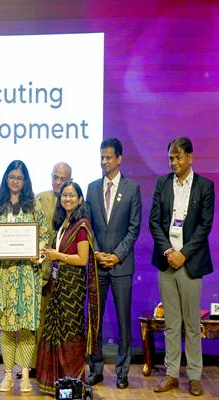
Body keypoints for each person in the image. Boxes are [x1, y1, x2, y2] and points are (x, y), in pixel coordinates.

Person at [149, 137, 214, 397]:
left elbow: (205, 226)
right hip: (166, 262)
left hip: (190, 264)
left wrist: (183, 254)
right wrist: (168, 251)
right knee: (171, 323)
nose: (173, 162)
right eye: (170, 158)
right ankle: (172, 375)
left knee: (192, 324)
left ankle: (195, 376)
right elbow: (154, 221)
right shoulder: (163, 183)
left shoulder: (205, 186)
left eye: (178, 157)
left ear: (190, 157)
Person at [0, 160, 50, 393]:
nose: (15, 181)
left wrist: (37, 253)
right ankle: (7, 375)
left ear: (25, 181)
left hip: (27, 276)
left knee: (26, 327)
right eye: (12, 177)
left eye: (19, 178)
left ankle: (23, 375)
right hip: (5, 275)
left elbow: (44, 236)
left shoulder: (34, 205)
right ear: (6, 179)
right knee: (6, 327)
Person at [85, 138, 141, 389]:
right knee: (94, 320)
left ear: (119, 159)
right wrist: (97, 252)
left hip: (121, 266)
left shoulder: (132, 189)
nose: (104, 161)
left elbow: (134, 227)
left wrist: (117, 255)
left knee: (123, 320)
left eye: (108, 157)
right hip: (97, 265)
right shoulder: (92, 188)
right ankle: (95, 368)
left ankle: (122, 371)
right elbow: (88, 225)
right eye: (101, 157)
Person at [36, 181, 100, 395]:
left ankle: (71, 387)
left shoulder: (81, 225)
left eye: (72, 195)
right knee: (55, 333)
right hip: (58, 284)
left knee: (70, 336)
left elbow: (82, 259)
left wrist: (57, 256)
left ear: (80, 199)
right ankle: (56, 384)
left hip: (72, 288)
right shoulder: (64, 223)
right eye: (64, 195)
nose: (68, 199)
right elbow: (56, 253)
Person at [34, 162, 72, 362]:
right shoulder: (40, 199)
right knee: (39, 318)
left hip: (66, 272)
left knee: (62, 319)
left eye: (62, 179)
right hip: (42, 270)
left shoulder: (75, 202)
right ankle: (36, 364)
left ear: (70, 180)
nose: (57, 182)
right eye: (55, 177)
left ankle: (58, 364)